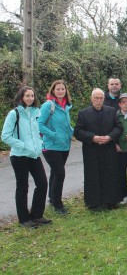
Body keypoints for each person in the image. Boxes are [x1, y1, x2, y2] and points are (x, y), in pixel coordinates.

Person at [2, 86, 51, 228]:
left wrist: (39, 143)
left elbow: (37, 132)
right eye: (27, 96)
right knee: (23, 186)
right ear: (21, 97)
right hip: (19, 155)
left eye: (32, 95)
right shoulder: (14, 114)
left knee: (42, 182)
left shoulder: (37, 112)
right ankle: (24, 219)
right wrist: (22, 145)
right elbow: (5, 136)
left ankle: (37, 215)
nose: (30, 98)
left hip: (34, 154)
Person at [74, 88, 123, 210]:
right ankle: (93, 202)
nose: (99, 100)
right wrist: (93, 138)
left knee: (110, 174)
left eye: (101, 98)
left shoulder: (111, 111)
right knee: (92, 175)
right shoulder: (83, 113)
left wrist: (110, 137)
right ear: (91, 99)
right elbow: (78, 131)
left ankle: (110, 201)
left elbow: (118, 127)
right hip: (92, 149)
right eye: (96, 98)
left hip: (108, 148)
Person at [38, 80, 74, 215]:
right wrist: (53, 135)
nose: (60, 91)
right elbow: (39, 124)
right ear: (53, 91)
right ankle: (58, 204)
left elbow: (65, 125)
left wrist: (71, 132)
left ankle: (52, 200)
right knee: (60, 173)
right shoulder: (48, 106)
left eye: (62, 89)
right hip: (51, 146)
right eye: (58, 89)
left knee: (55, 172)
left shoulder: (66, 106)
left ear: (66, 91)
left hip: (64, 145)